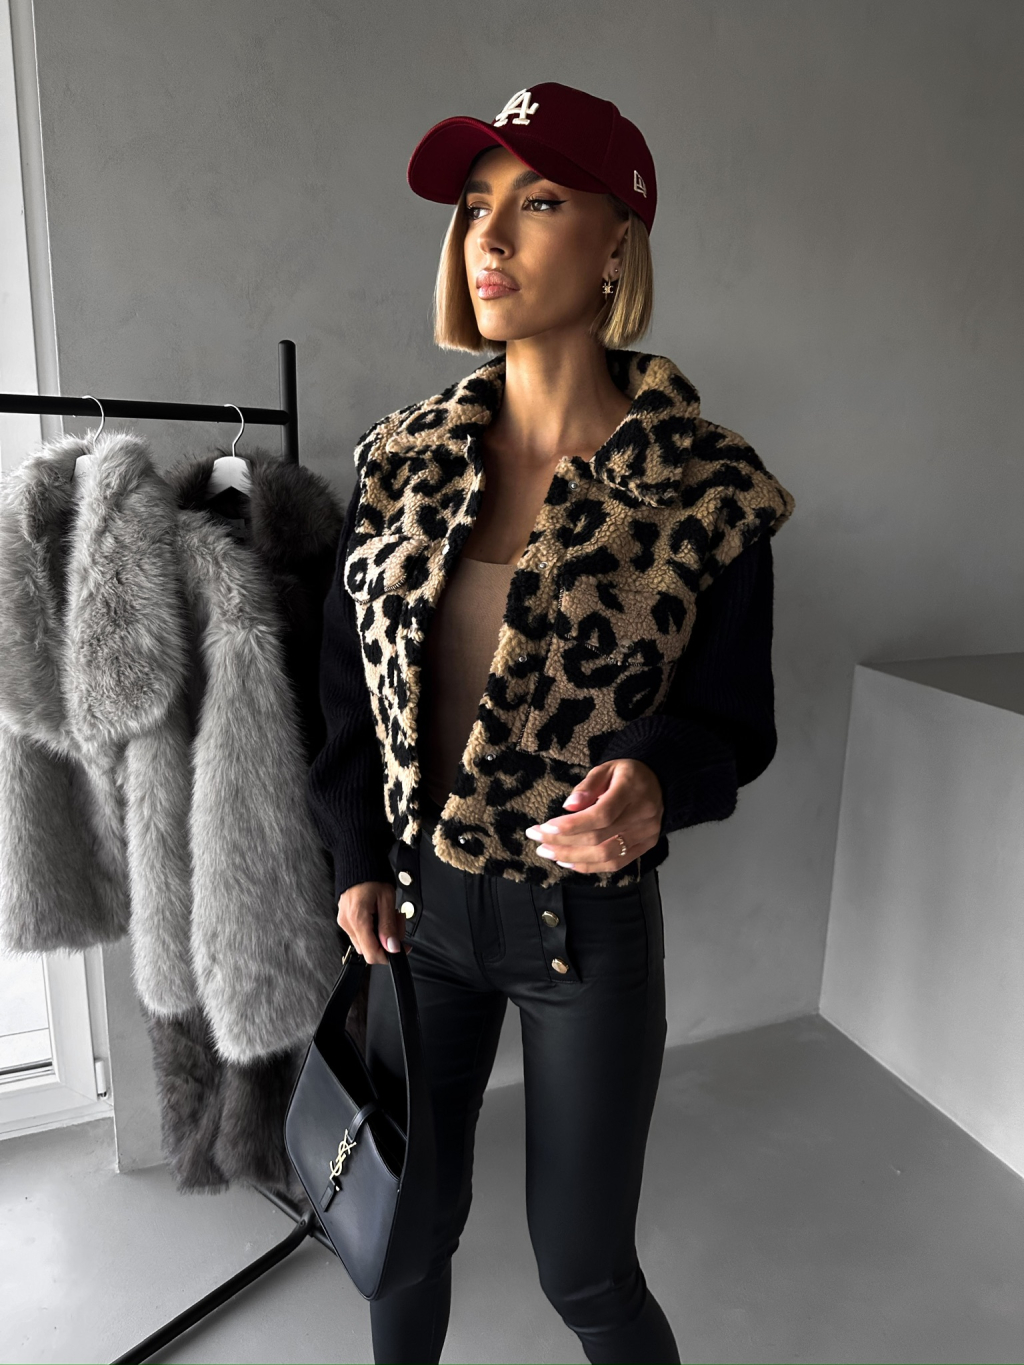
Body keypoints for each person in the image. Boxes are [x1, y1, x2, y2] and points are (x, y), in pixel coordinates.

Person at [307, 81, 796, 1365]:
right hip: (415, 917)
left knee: (586, 1272)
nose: (488, 235)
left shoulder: (707, 488)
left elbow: (733, 725)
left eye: (536, 202)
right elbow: (347, 694)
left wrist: (654, 783)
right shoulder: (399, 458)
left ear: (617, 240)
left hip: (579, 931)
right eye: (475, 206)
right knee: (400, 1235)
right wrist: (356, 855)